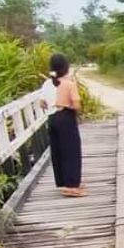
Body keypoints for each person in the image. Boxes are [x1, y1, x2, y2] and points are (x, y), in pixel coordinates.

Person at [46, 54, 84, 197]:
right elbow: (76, 104)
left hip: (52, 118)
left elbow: (42, 103)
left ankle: (64, 181)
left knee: (58, 151)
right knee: (71, 151)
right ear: (66, 67)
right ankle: (72, 185)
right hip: (65, 117)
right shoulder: (69, 84)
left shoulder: (47, 83)